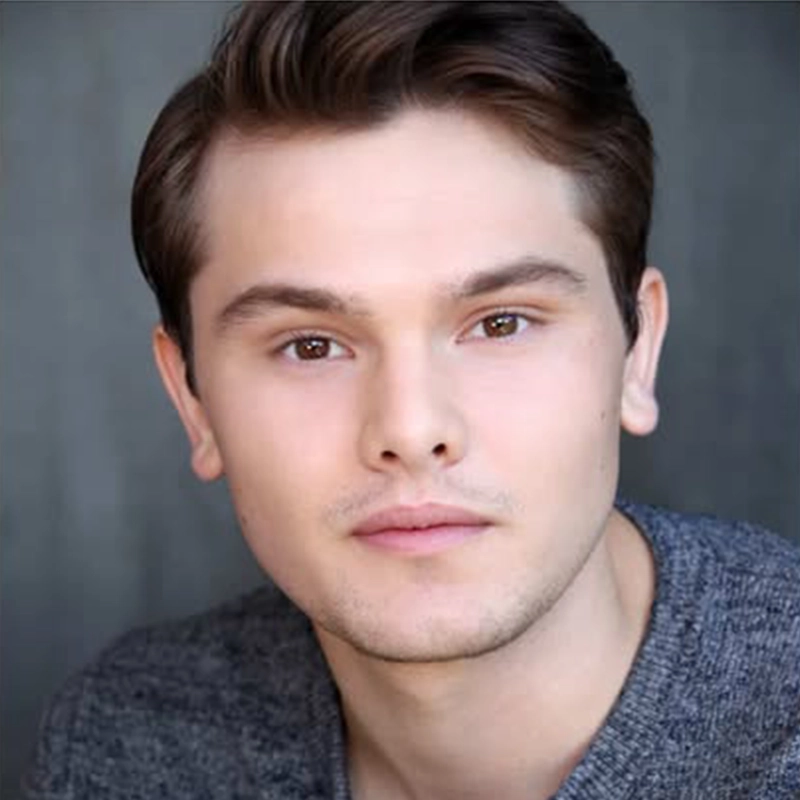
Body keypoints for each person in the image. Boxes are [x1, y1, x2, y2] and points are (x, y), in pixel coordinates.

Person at [23, 2, 800, 798]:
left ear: (638, 350)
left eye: (501, 324)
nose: (411, 428)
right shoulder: (124, 745)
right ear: (193, 399)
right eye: (310, 345)